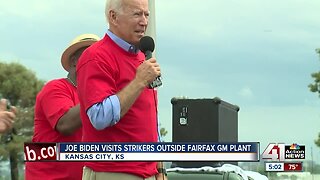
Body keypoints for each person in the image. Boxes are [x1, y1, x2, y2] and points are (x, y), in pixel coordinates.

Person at [77, 0, 167, 180]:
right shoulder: (96, 57)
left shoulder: (142, 57)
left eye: (146, 14)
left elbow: (150, 121)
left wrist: (160, 168)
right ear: (113, 17)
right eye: (136, 14)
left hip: (148, 172)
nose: (144, 22)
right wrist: (139, 82)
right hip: (112, 171)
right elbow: (100, 117)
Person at [25, 34, 100, 180]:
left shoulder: (99, 96)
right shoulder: (55, 88)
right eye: (91, 57)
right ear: (74, 61)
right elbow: (65, 124)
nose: (98, 62)